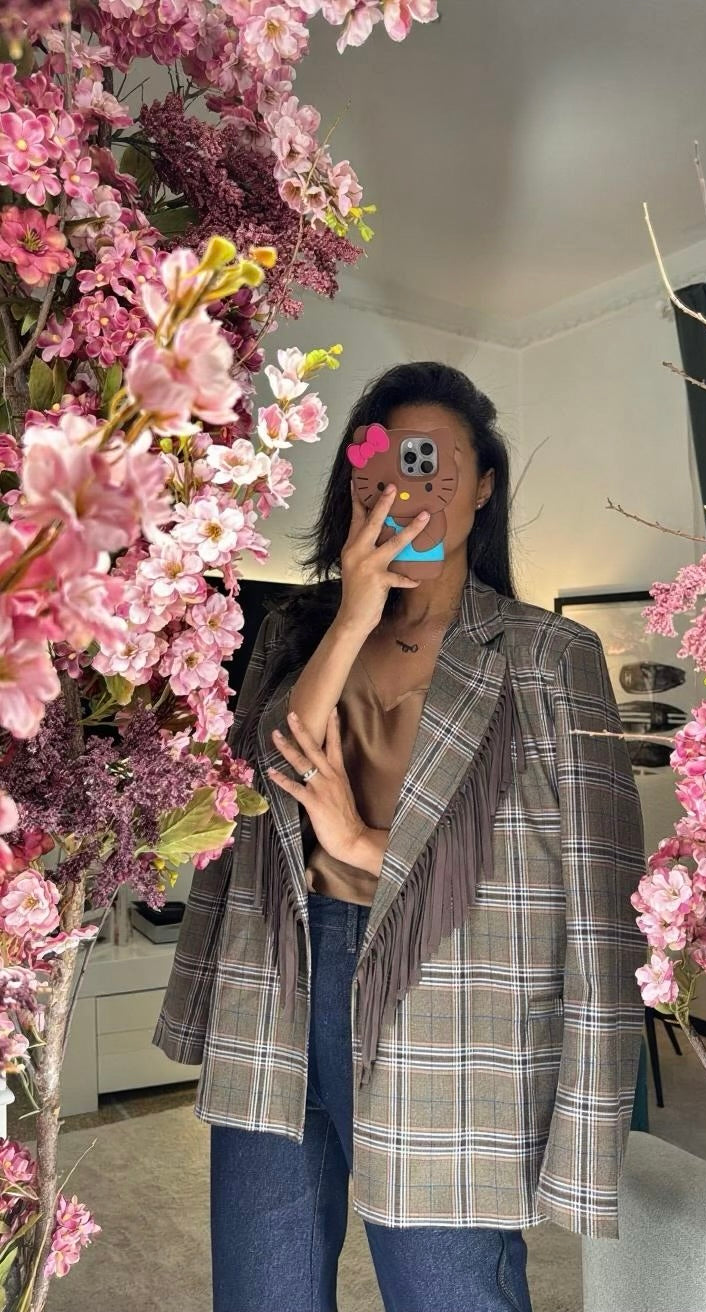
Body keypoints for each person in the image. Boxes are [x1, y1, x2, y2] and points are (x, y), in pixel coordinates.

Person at [154, 362, 646, 1312]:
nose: (403, 493)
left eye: (431, 465)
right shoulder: (295, 632)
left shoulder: (549, 655)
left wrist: (359, 840)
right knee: (261, 1288)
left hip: (449, 1004)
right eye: (377, 473)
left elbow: (595, 895)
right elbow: (258, 786)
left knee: (445, 1289)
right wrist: (352, 614)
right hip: (279, 981)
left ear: (484, 486)